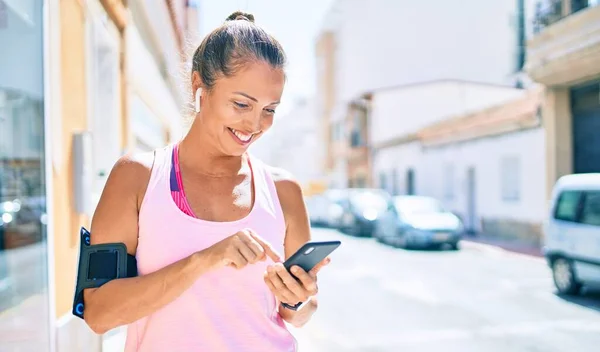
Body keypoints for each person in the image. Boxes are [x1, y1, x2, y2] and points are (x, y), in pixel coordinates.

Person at [82, 11, 330, 352]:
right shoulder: (137, 177)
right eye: (241, 104)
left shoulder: (284, 191)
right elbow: (99, 313)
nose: (255, 124)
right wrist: (204, 260)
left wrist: (297, 299)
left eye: (269, 109)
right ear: (200, 87)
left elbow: (299, 315)